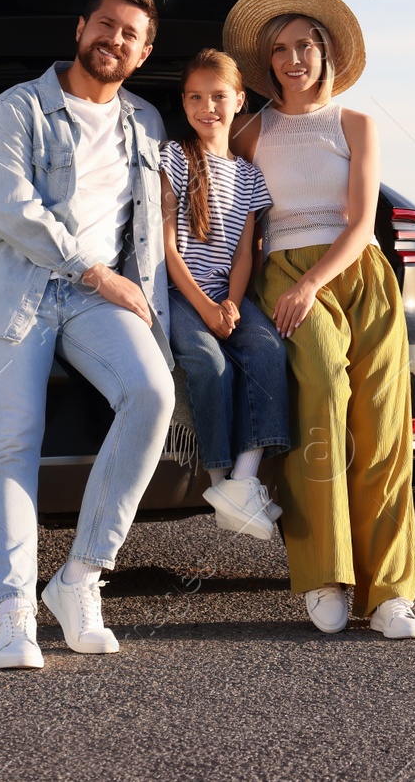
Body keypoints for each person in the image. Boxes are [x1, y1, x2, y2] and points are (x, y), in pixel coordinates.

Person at [0, 0, 175, 670]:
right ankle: (14, 612)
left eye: (131, 34)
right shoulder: (17, 109)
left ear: (143, 52)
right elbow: (14, 212)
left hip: (98, 298)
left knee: (152, 394)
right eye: (106, 25)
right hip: (15, 287)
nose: (116, 39)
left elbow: (151, 233)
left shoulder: (147, 122)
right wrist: (100, 274)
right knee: (15, 439)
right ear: (80, 29)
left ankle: (79, 578)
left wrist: (153, 309)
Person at [224, 0, 415, 640]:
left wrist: (315, 280)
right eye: (279, 49)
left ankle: (391, 594)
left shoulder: (357, 125)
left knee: (383, 428)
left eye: (303, 46)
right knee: (323, 402)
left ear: (325, 52)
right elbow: (235, 225)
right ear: (267, 62)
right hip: (284, 278)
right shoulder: (250, 132)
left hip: (353, 274)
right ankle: (323, 576)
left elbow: (364, 220)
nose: (292, 59)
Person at [160, 49, 289, 539]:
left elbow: (244, 254)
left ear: (239, 101)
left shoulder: (250, 175)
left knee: (266, 348)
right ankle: (218, 480)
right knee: (208, 363)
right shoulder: (172, 157)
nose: (206, 106)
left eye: (217, 96)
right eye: (195, 97)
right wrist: (207, 308)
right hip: (180, 292)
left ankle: (244, 479)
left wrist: (233, 303)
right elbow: (169, 250)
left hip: (225, 294)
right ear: (185, 102)